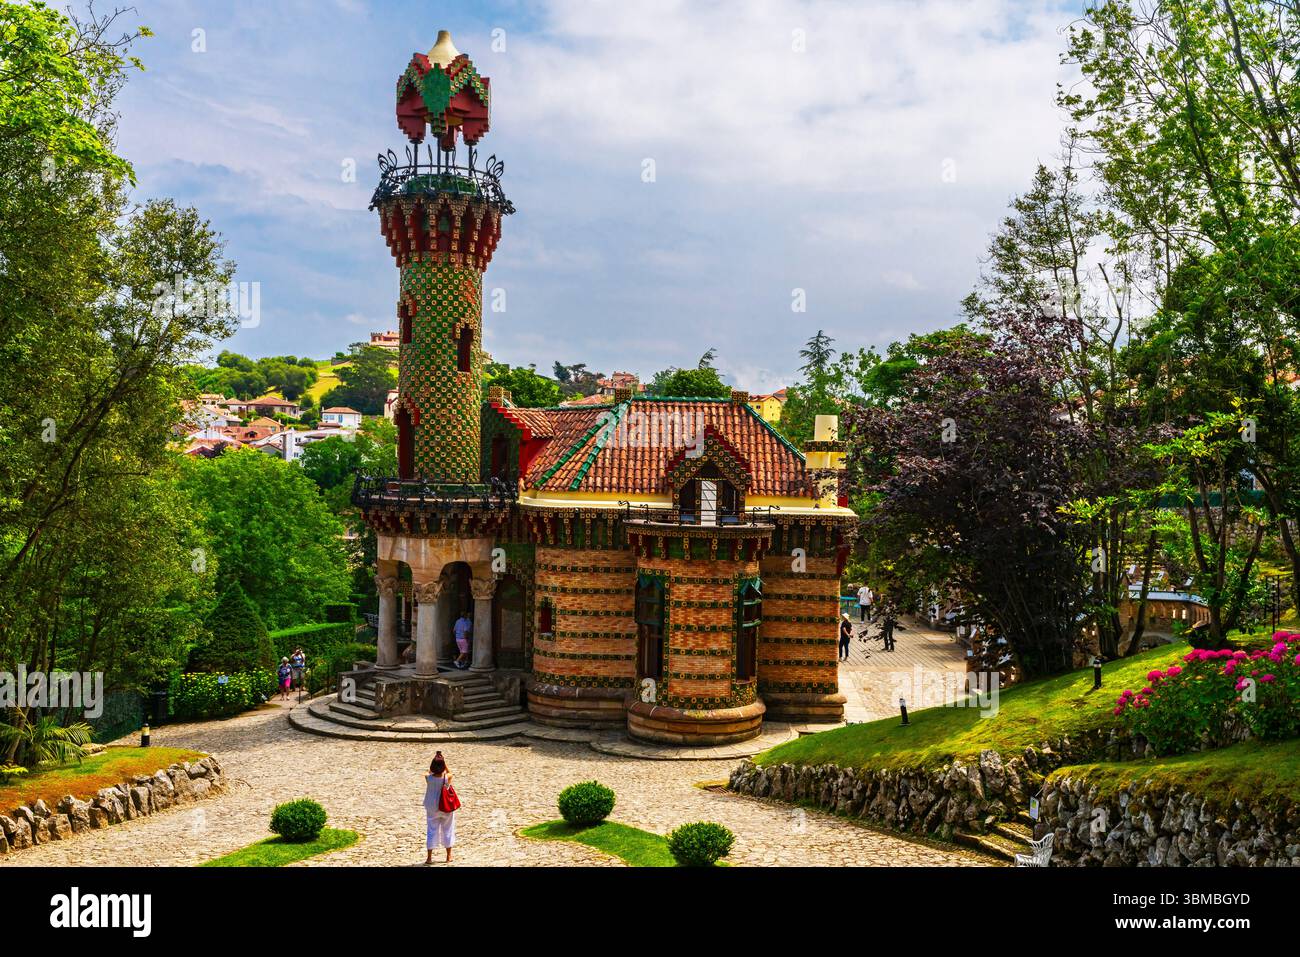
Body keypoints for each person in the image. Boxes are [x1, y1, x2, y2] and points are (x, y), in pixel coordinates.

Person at [423, 751, 456, 864]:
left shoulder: (428, 778)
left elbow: (429, 771)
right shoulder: (447, 778)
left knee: (431, 830)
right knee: (448, 829)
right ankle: (448, 856)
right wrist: (443, 762)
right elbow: (450, 772)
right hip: (446, 807)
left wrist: (435, 761)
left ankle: (429, 858)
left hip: (432, 807)